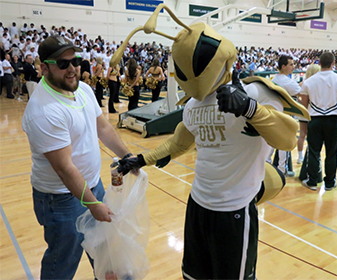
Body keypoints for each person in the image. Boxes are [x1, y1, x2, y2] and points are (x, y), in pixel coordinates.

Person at [109, 7, 309, 279]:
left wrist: (249, 108)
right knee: (193, 276)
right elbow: (178, 144)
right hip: (197, 204)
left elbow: (288, 138)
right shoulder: (192, 104)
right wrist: (142, 159)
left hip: (235, 210)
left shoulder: (256, 92)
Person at [21, 35, 135, 280]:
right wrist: (93, 204)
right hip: (60, 199)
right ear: (44, 68)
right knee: (64, 258)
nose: (72, 68)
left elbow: (103, 128)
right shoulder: (44, 110)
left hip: (92, 185)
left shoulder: (82, 89)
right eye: (63, 64)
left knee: (105, 249)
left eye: (76, 61)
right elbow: (64, 168)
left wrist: (127, 156)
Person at [300, 52, 337, 191]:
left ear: (319, 63)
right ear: (333, 63)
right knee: (332, 152)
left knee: (313, 151)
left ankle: (312, 181)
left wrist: (303, 125)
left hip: (314, 120)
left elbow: (304, 106)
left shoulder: (308, 82)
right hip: (333, 120)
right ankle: (330, 182)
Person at [268, 55, 302, 177]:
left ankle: (267, 164)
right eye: (291, 64)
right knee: (284, 143)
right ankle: (282, 169)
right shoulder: (287, 81)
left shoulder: (273, 78)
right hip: (285, 115)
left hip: (274, 114)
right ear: (283, 66)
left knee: (272, 141)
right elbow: (300, 91)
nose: (294, 67)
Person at [297, 64, 321, 164]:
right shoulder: (317, 83)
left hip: (303, 111)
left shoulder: (303, 83)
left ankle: (300, 157)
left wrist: (300, 102)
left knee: (302, 134)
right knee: (314, 136)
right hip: (313, 112)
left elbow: (297, 96)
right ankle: (311, 157)